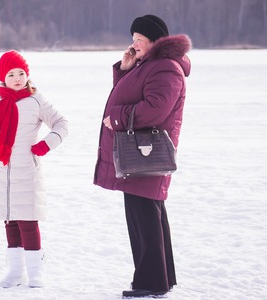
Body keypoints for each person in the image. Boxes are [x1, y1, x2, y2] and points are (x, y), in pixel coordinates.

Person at [93, 15, 191, 298]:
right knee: (149, 215)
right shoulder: (150, 64)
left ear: (156, 41)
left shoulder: (166, 69)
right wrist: (125, 69)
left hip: (146, 153)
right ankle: (161, 279)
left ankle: (150, 284)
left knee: (145, 217)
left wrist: (118, 118)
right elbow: (132, 92)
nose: (134, 45)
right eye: (133, 39)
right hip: (141, 153)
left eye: (140, 40)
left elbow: (156, 109)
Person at [0, 50, 68, 288]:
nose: (17, 78)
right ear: (2, 77)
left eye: (21, 73)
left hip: (27, 169)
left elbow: (62, 124)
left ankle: (35, 272)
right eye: (11, 74)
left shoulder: (36, 100)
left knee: (28, 220)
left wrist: (46, 144)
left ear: (28, 75)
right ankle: (16, 272)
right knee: (10, 220)